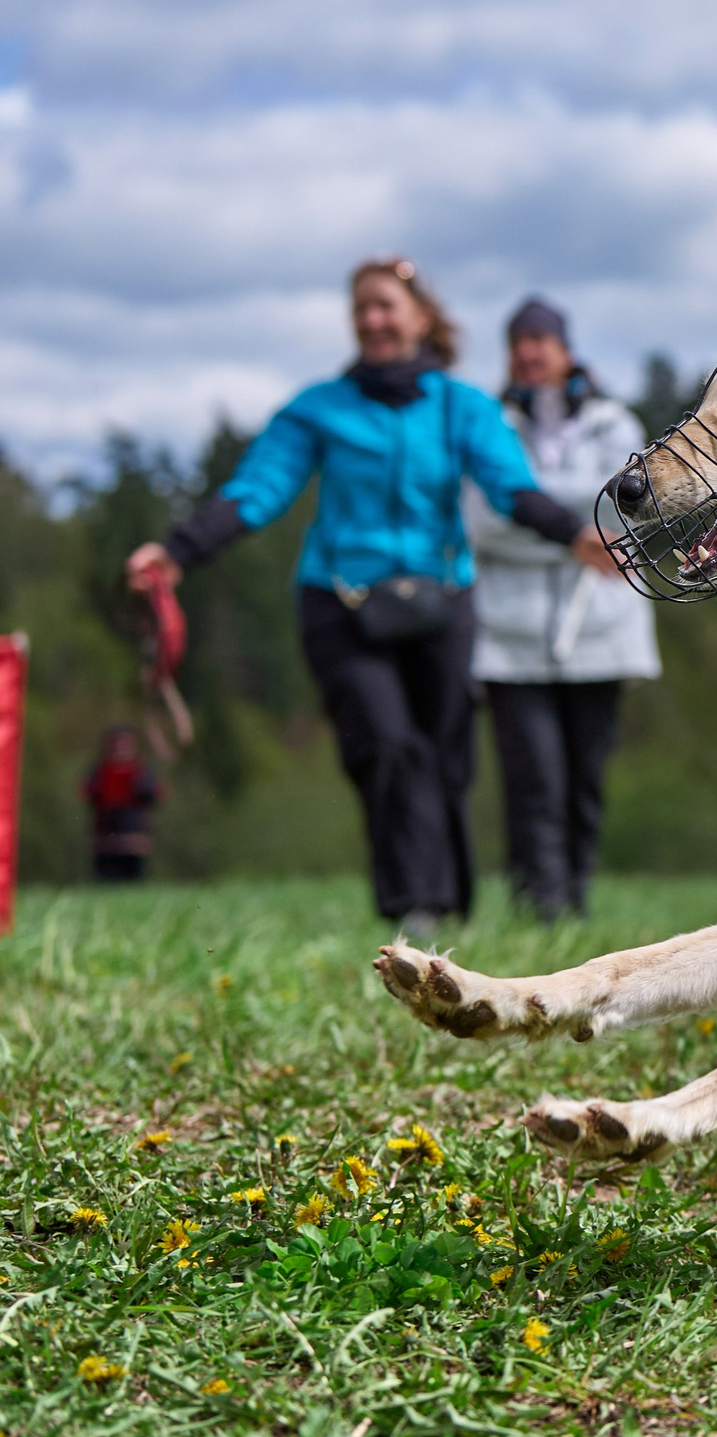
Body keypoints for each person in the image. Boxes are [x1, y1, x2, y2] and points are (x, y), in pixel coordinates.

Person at [126, 259, 617, 937]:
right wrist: (179, 551)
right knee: (387, 746)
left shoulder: (462, 407)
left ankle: (449, 903)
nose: (372, 319)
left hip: (442, 600)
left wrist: (574, 536)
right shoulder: (318, 409)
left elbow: (509, 486)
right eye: (362, 307)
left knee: (446, 757)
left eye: (386, 305)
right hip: (340, 602)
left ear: (421, 317)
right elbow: (258, 489)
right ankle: (413, 908)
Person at [467, 297, 659, 921]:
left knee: (582, 782)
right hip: (509, 635)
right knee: (532, 784)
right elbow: (483, 520)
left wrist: (534, 510)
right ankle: (539, 908)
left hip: (600, 630)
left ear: (564, 350)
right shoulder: (489, 427)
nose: (528, 353)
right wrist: (572, 534)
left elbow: (623, 508)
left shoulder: (615, 424)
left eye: (539, 340)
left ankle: (573, 900)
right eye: (517, 342)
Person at [82, 725, 160, 882]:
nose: (119, 749)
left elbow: (153, 795)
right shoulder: (100, 771)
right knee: (106, 883)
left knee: (135, 884)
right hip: (106, 842)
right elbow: (88, 793)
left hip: (134, 841)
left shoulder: (140, 770)